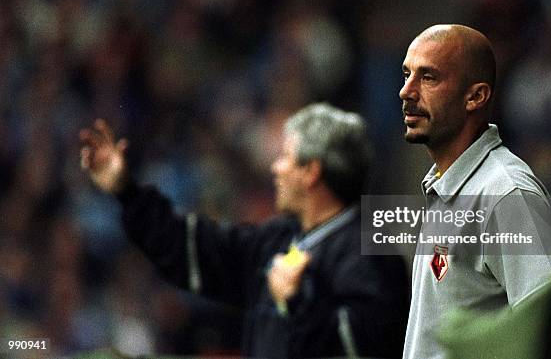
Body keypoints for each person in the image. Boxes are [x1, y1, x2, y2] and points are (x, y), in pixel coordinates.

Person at [79, 103, 410, 359]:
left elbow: (374, 345)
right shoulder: (278, 240)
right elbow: (193, 248)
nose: (275, 167)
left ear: (311, 172)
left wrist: (297, 300)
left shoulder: (372, 253)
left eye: (284, 157)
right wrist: (127, 192)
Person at [398, 24, 551, 359]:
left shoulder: (505, 192)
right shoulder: (447, 185)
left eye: (428, 77)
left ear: (475, 96)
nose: (407, 90)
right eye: (406, 74)